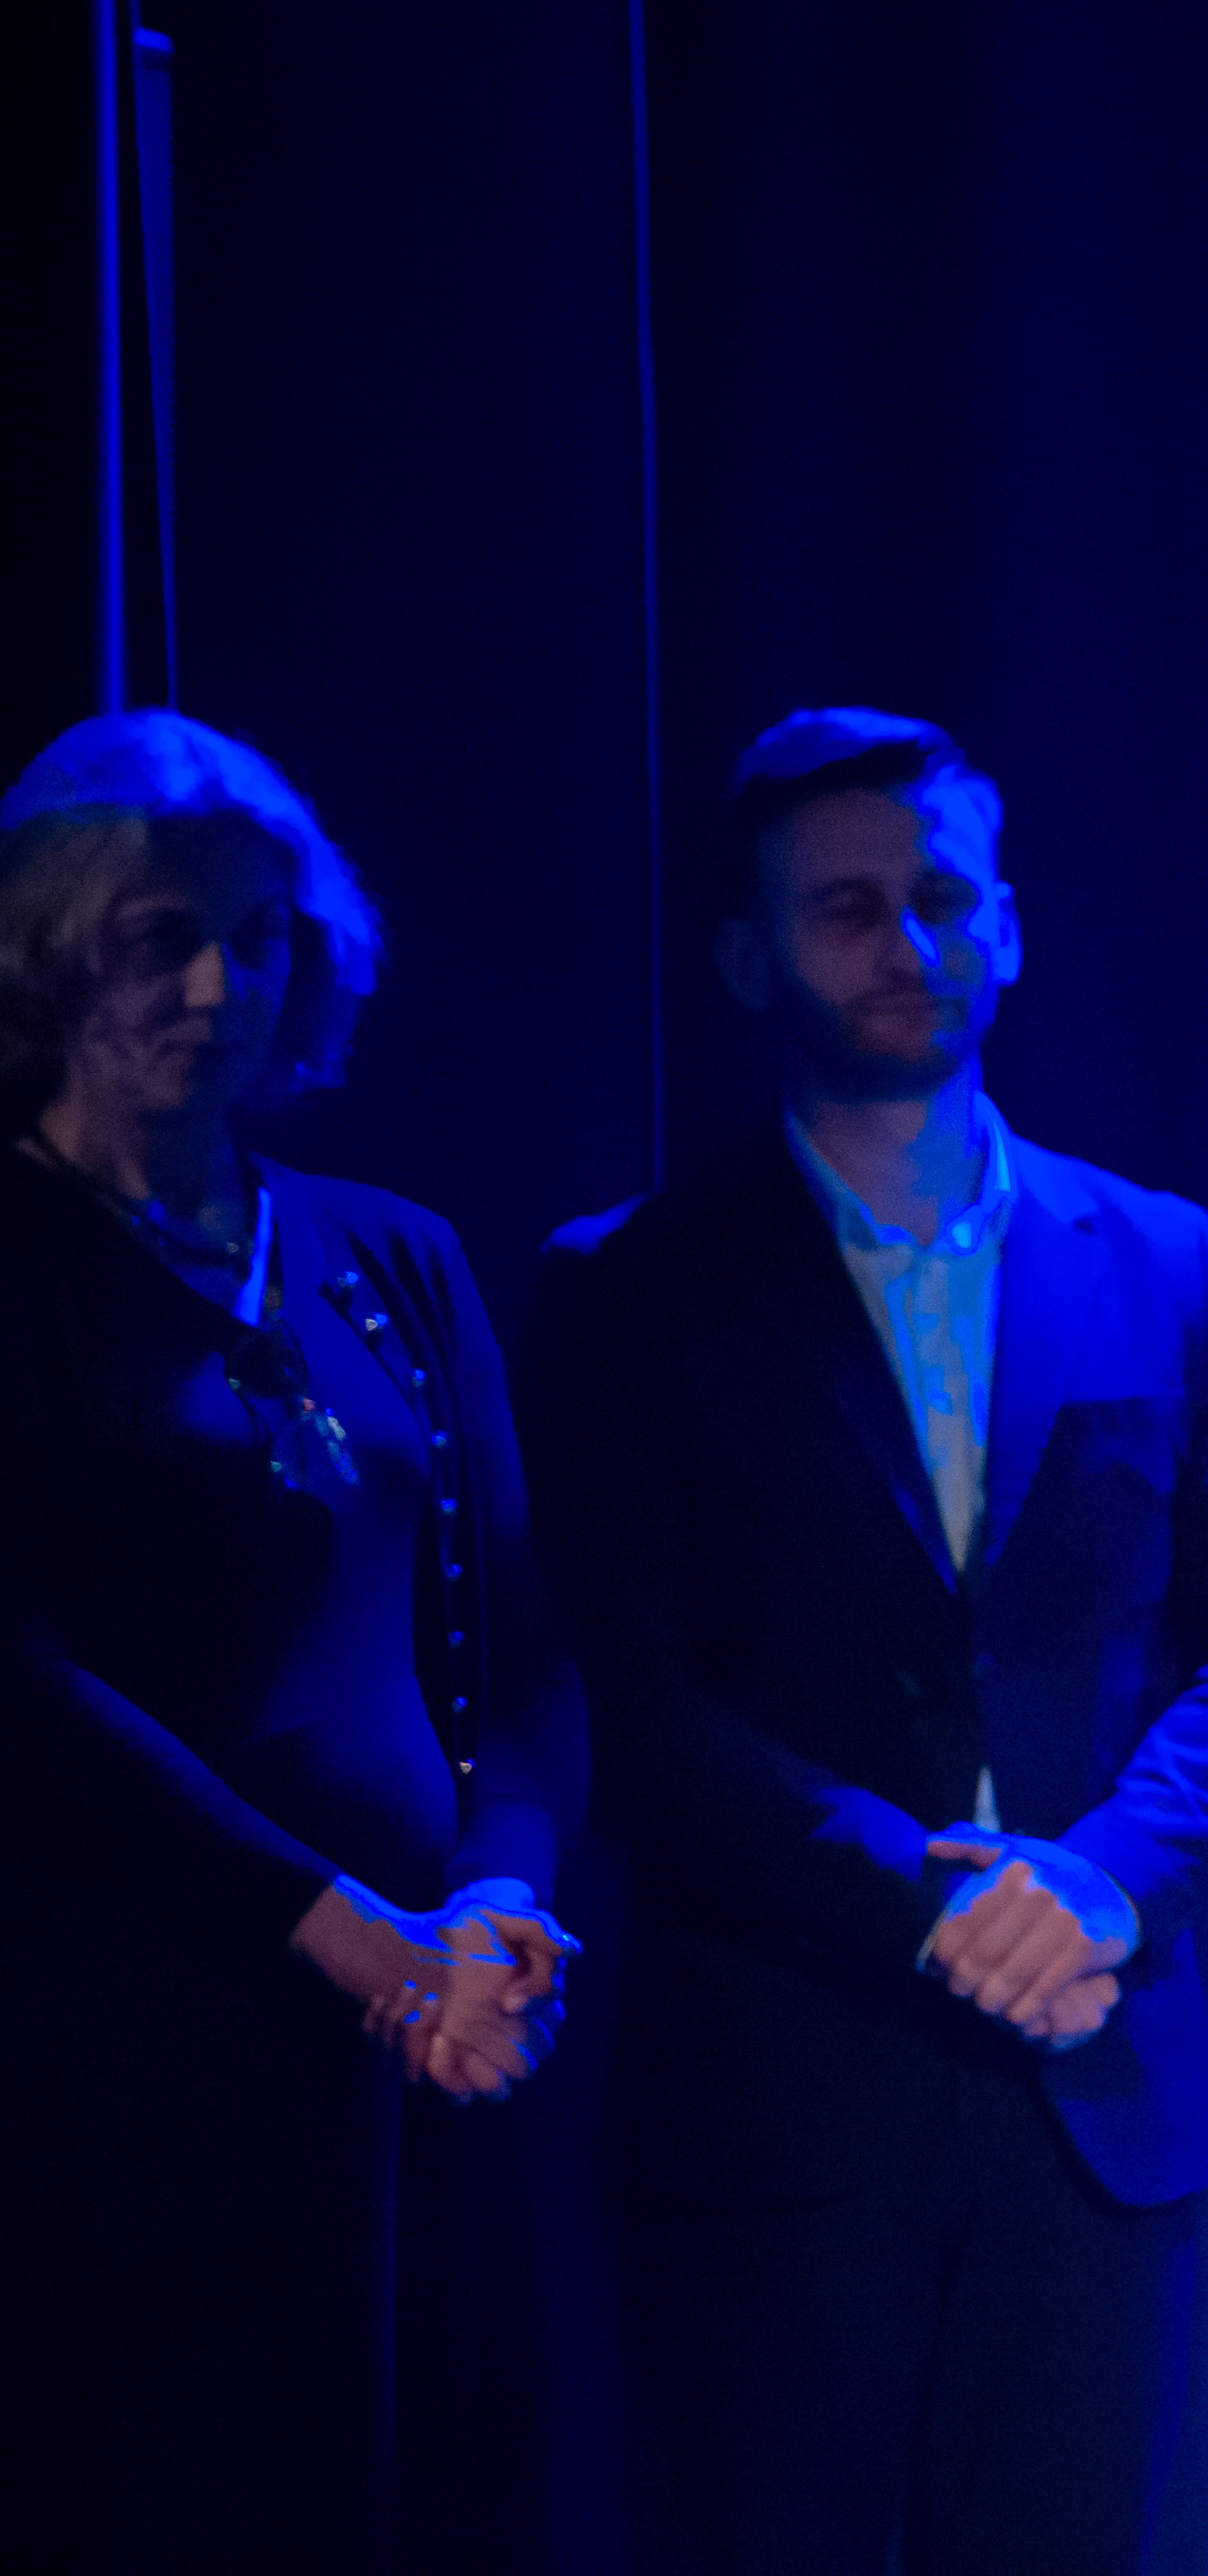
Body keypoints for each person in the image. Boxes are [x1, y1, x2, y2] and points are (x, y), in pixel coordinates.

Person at [522, 710, 1208, 2575]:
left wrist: (1105, 1879)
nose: (905, 942)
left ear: (1011, 927)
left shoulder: (1161, 1256)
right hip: (775, 2102)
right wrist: (928, 1895)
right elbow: (622, 1697)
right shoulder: (630, 1284)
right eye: (845, 909)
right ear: (749, 956)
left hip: (1095, 2082)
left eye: (942, 898)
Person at [0, 709, 582, 2572]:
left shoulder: (391, 1253)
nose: (214, 987)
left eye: (258, 940)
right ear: (47, 953)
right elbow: (23, 1688)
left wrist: (492, 1903)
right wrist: (344, 1933)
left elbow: (519, 1655)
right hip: (132, 2056)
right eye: (158, 938)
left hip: (417, 2047)